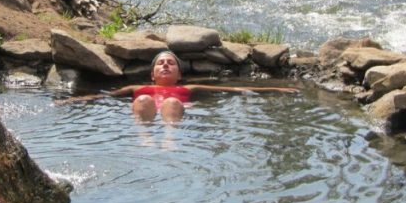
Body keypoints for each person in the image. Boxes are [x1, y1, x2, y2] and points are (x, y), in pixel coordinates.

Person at [57, 50, 299, 122]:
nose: (165, 66)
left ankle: (169, 139)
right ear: (152, 74)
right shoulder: (136, 89)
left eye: (170, 64)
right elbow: (103, 97)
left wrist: (275, 89)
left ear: (179, 73)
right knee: (144, 101)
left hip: (175, 111)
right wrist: (72, 100)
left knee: (172, 102)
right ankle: (145, 137)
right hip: (146, 111)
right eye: (160, 64)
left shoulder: (189, 88)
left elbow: (232, 90)